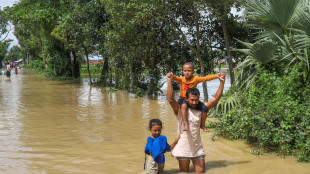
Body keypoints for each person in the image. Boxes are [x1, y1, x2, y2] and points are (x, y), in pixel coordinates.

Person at [166, 72, 225, 173]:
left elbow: (215, 99)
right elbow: (171, 99)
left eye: (196, 100)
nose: (194, 102)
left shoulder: (201, 109)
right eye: (192, 100)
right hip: (183, 147)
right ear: (186, 99)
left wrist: (222, 83)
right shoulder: (180, 110)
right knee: (184, 172)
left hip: (197, 147)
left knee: (201, 172)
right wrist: (169, 81)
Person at [171, 62, 218, 132]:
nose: (187, 72)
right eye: (185, 71)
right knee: (183, 106)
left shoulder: (195, 79)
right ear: (183, 71)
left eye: (189, 71)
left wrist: (217, 76)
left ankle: (203, 125)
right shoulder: (181, 79)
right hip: (182, 99)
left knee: (205, 108)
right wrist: (171, 75)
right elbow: (175, 78)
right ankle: (186, 124)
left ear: (193, 72)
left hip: (192, 100)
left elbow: (206, 78)